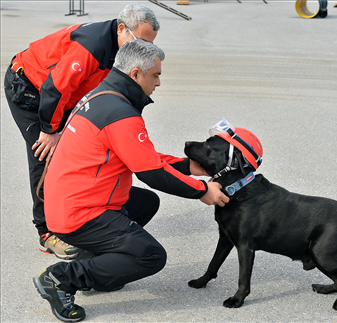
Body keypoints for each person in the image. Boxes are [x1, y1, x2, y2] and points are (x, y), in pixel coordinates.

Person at [32, 39, 229, 322]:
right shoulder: (120, 113)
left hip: (67, 199)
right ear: (136, 74)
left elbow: (141, 156)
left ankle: (92, 263)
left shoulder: (103, 96)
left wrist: (188, 166)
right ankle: (61, 278)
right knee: (149, 255)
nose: (159, 82)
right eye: (156, 75)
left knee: (145, 203)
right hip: (78, 212)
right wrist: (202, 191)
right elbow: (151, 173)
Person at [3, 4, 160, 260]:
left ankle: (82, 213)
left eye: (149, 44)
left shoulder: (124, 51)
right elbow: (55, 88)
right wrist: (50, 130)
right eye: (140, 41)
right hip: (31, 89)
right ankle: (47, 232)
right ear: (122, 29)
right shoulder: (93, 45)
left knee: (78, 152)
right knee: (45, 156)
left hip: (63, 96)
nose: (142, 49)